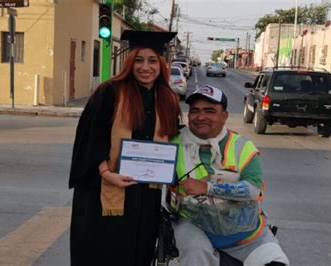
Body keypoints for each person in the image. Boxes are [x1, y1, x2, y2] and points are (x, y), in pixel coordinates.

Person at [68, 30, 181, 266]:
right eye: (138, 60)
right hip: (104, 190)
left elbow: (173, 141)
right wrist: (107, 174)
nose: (145, 67)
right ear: (129, 62)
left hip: (145, 195)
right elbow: (90, 138)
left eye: (152, 61)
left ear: (162, 63)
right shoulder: (111, 92)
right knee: (104, 253)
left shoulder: (166, 98)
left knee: (138, 253)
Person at [170, 85, 289, 266]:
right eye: (195, 111)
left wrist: (208, 187)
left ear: (224, 116)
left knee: (277, 263)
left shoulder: (243, 146)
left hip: (244, 233)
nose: (201, 117)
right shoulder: (172, 145)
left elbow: (252, 190)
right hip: (195, 225)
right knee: (196, 253)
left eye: (210, 111)